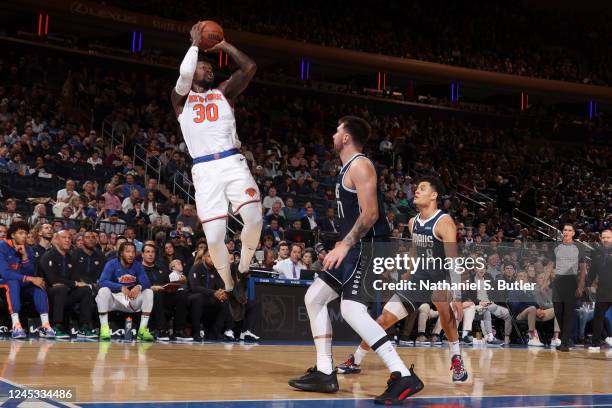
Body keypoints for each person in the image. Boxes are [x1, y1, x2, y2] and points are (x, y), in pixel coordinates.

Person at [288, 116, 424, 405]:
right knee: (315, 298)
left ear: (347, 137)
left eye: (337, 130)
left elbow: (371, 213)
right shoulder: (348, 168)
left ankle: (402, 374)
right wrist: (342, 243)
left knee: (351, 309)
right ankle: (325, 372)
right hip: (357, 246)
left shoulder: (361, 165)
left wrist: (344, 245)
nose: (333, 134)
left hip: (371, 246)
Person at [335, 176, 468, 384]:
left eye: (422, 188)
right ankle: (356, 360)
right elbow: (415, 251)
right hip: (419, 278)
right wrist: (407, 274)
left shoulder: (444, 223)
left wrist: (457, 296)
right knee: (383, 320)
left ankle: (456, 357)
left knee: (443, 304)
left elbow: (453, 261)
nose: (416, 190)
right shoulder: (413, 222)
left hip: (439, 277)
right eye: (416, 187)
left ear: (434, 196)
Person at [170, 22, 262, 301]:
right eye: (203, 66)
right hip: (205, 169)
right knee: (213, 238)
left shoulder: (224, 92)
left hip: (233, 162)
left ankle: (243, 269)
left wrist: (222, 44)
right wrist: (195, 45)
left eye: (211, 67)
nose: (208, 69)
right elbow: (185, 74)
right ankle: (229, 284)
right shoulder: (180, 100)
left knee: (254, 220)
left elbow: (249, 68)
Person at [0, 221, 55, 339]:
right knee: (12, 282)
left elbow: (30, 273)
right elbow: (5, 274)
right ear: (13, 235)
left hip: (21, 282)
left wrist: (24, 256)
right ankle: (16, 325)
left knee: (38, 285)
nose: (24, 236)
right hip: (4, 283)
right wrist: (29, 278)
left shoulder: (28, 249)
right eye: (21, 233)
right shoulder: (2, 247)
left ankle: (45, 325)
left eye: (26, 233)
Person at [39, 230, 96, 339]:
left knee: (85, 290)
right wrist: (73, 283)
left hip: (65, 292)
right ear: (56, 240)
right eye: (64, 237)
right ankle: (56, 326)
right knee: (61, 288)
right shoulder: (48, 256)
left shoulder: (70, 257)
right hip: (48, 294)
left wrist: (75, 283)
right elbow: (52, 280)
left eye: (69, 238)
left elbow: (75, 278)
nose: (67, 240)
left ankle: (84, 327)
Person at [95, 241, 154, 342]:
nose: (131, 255)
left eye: (133, 252)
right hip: (114, 300)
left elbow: (146, 282)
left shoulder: (137, 265)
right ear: (121, 253)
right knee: (103, 291)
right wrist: (120, 287)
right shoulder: (112, 264)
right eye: (128, 252)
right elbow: (102, 282)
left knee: (149, 292)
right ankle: (104, 329)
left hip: (131, 299)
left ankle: (142, 330)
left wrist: (139, 286)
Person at [547, 224, 587, 352]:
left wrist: (580, 286)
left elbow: (583, 269)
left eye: (569, 230)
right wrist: (545, 281)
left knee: (568, 314)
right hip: (558, 281)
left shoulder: (579, 247)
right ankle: (566, 339)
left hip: (572, 281)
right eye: (565, 230)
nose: (567, 232)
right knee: (558, 311)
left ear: (573, 233)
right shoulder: (556, 246)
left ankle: (564, 343)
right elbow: (550, 264)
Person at [587, 229, 612, 350]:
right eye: (604, 237)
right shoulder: (596, 252)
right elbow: (592, 271)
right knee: (598, 316)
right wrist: (587, 284)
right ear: (601, 238)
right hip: (603, 290)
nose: (606, 239)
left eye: (608, 237)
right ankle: (595, 343)